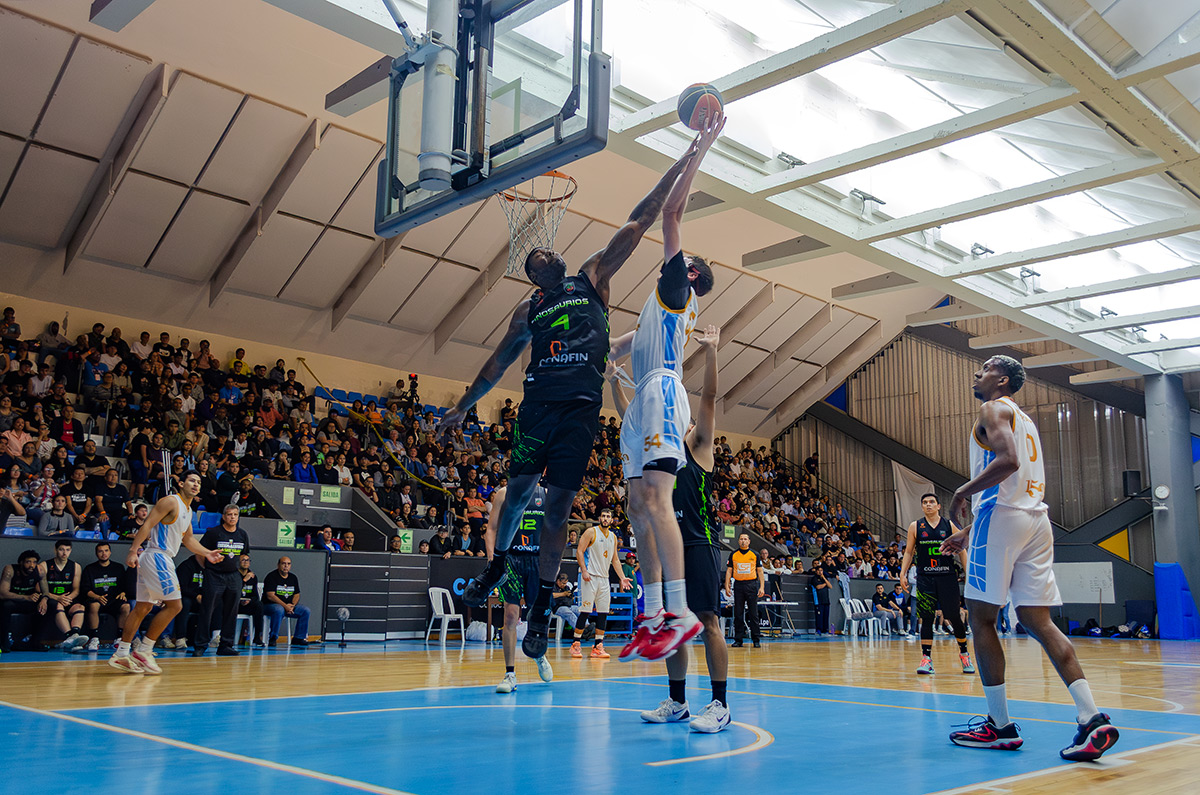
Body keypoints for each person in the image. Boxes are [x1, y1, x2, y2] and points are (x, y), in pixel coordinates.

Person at [441, 140, 703, 663]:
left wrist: (681, 163)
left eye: (550, 251)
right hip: (538, 408)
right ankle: (497, 566)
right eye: (538, 257)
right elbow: (494, 365)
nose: (548, 253)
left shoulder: (593, 276)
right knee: (516, 497)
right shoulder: (526, 312)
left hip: (580, 412)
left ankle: (541, 608)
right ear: (533, 275)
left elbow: (641, 219)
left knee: (558, 509)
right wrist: (465, 404)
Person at [943, 355, 1118, 761]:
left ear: (1002, 380)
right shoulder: (1025, 420)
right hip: (1036, 522)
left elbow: (1008, 463)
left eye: (986, 368)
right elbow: (1017, 485)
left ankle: (999, 726)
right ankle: (1091, 717)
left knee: (981, 618)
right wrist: (970, 531)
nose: (977, 373)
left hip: (1002, 519)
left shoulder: (992, 409)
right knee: (1039, 621)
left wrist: (962, 492)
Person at [612, 114, 722, 663]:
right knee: (637, 505)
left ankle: (679, 612)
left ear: (691, 274)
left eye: (686, 259)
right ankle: (653, 613)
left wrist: (699, 147)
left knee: (657, 499)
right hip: (642, 399)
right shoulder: (658, 309)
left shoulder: (678, 289)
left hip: (661, 392)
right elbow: (615, 348)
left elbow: (672, 211)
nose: (680, 257)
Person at [631, 325, 730, 731]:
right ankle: (678, 702)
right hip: (671, 549)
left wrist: (711, 351)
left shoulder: (699, 446)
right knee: (675, 623)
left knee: (707, 622)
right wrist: (617, 381)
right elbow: (633, 419)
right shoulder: (662, 452)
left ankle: (720, 704)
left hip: (700, 543)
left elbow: (709, 397)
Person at [108, 471, 224, 674]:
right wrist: (133, 550)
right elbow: (147, 524)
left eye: (198, 482)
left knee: (142, 608)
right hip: (157, 556)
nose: (196, 484)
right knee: (175, 605)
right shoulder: (171, 501)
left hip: (157, 558)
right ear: (181, 483)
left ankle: (122, 653)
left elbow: (188, 540)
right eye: (192, 480)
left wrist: (207, 553)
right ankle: (145, 650)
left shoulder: (188, 510)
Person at [900, 493, 974, 675]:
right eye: (925, 502)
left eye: (932, 502)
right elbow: (909, 552)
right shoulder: (915, 526)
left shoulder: (949, 525)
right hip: (925, 578)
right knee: (926, 618)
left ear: (939, 506)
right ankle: (926, 659)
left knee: (954, 617)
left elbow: (962, 550)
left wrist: (968, 574)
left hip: (947, 577)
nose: (928, 505)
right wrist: (903, 573)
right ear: (922, 506)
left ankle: (964, 654)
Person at [490, 485, 554, 693]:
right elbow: (491, 529)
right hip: (511, 559)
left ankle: (538, 653)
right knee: (510, 615)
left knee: (539, 616)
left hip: (538, 561)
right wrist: (493, 563)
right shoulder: (504, 493)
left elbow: (555, 531)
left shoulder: (546, 495)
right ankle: (510, 674)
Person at [570, 508, 631, 659]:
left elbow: (615, 559)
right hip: (589, 577)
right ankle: (575, 644)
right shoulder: (591, 532)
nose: (605, 518)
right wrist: (584, 570)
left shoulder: (613, 537)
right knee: (585, 611)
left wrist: (622, 577)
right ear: (599, 518)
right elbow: (579, 551)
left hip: (604, 579)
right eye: (603, 516)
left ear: (611, 520)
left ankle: (598, 646)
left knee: (603, 613)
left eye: (608, 516)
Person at [193, 504, 251, 657]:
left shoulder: (242, 534)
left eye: (235, 515)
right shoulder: (213, 533)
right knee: (207, 609)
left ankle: (226, 645)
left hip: (233, 576)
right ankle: (201, 645)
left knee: (231, 611)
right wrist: (207, 568)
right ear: (224, 517)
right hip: (214, 575)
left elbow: (244, 555)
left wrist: (238, 570)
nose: (232, 517)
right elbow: (200, 552)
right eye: (229, 514)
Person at [77, 541, 129, 653]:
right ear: (96, 553)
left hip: (114, 600)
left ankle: (119, 638)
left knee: (126, 607)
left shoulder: (119, 567)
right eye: (100, 551)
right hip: (97, 599)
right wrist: (97, 597)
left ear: (110, 552)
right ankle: (94, 638)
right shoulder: (89, 569)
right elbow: (85, 589)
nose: (103, 553)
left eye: (106, 551)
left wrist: (123, 593)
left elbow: (125, 586)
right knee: (94, 606)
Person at [39, 539, 88, 651]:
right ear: (55, 550)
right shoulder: (45, 565)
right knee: (58, 605)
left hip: (67, 599)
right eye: (61, 549)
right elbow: (39, 588)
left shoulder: (76, 566)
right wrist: (57, 598)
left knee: (80, 607)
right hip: (52, 598)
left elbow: (76, 590)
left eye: (67, 550)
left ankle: (75, 635)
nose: (64, 553)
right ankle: (69, 636)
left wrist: (67, 598)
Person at [725, 532, 763, 649]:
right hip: (738, 585)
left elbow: (760, 571)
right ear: (738, 541)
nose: (743, 541)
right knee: (738, 613)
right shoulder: (733, 554)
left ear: (749, 541)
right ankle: (738, 640)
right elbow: (729, 571)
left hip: (751, 585)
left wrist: (762, 587)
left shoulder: (755, 554)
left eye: (745, 539)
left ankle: (756, 640)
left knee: (753, 614)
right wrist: (727, 585)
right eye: (741, 539)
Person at [0, 549, 43, 652]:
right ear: (21, 562)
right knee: (5, 605)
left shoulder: (39, 570)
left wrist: (44, 600)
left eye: (34, 562)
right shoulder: (10, 570)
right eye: (28, 562)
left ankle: (35, 642)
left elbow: (45, 592)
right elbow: (2, 594)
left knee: (48, 605)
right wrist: (26, 597)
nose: (32, 565)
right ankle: (3, 643)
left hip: (29, 604)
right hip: (13, 602)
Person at [262, 556, 310, 647]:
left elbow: (297, 594)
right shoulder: (271, 576)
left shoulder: (293, 577)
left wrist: (292, 605)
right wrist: (285, 606)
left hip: (288, 606)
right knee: (279, 609)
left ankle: (299, 638)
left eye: (288, 564)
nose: (286, 566)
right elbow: (270, 595)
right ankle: (273, 638)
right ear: (278, 565)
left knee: (305, 610)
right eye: (283, 563)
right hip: (270, 606)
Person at [236, 553, 265, 647]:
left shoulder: (253, 577)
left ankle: (257, 637)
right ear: (238, 562)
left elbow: (255, 596)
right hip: (235, 605)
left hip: (247, 605)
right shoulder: (234, 575)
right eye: (243, 560)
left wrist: (249, 601)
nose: (245, 562)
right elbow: (233, 592)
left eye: (247, 560)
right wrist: (244, 580)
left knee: (259, 605)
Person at [809, 561, 831, 635]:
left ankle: (825, 629)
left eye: (821, 570)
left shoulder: (824, 578)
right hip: (818, 600)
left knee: (826, 616)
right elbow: (818, 587)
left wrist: (824, 579)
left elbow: (830, 586)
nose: (820, 572)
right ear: (816, 571)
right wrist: (825, 584)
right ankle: (819, 629)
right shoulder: (814, 579)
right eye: (819, 570)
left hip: (826, 600)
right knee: (819, 616)